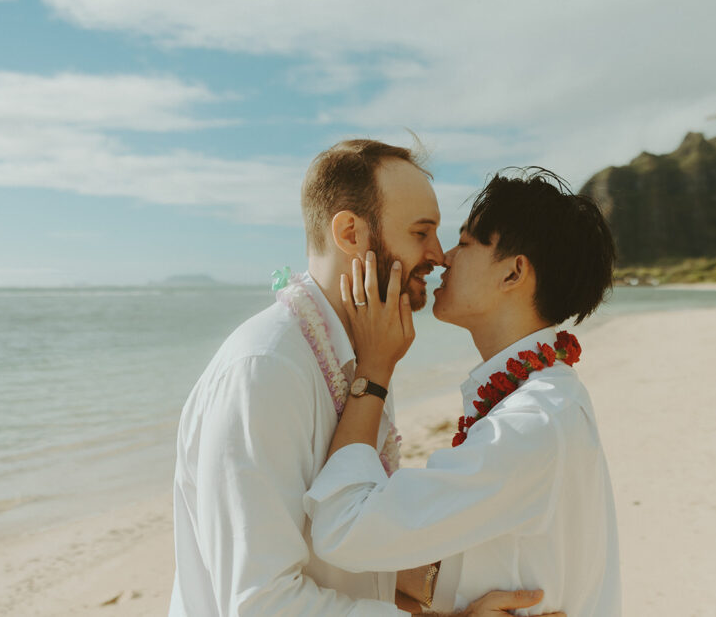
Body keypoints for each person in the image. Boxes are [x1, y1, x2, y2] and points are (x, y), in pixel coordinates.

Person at [168, 140, 561, 617]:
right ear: (350, 232)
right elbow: (260, 603)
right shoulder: (265, 371)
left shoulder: (362, 357)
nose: (439, 255)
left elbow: (352, 569)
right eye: (421, 232)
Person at [304, 169, 622, 616]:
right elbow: (487, 564)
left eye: (467, 243)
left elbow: (343, 529)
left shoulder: (532, 422)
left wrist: (374, 370)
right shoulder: (546, 400)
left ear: (514, 273)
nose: (444, 257)